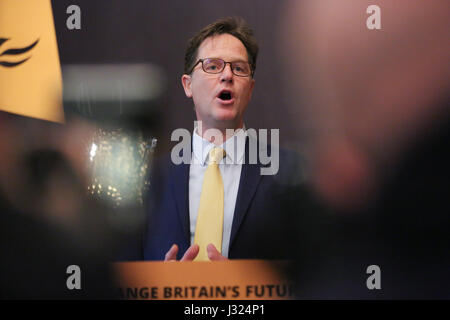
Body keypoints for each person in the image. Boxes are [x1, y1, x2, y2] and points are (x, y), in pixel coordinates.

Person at [140, 17, 301, 262]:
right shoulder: (150, 179)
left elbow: (314, 273)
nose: (227, 75)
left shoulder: (290, 174)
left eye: (239, 68)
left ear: (251, 88)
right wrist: (163, 285)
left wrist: (243, 285)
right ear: (188, 85)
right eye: (213, 66)